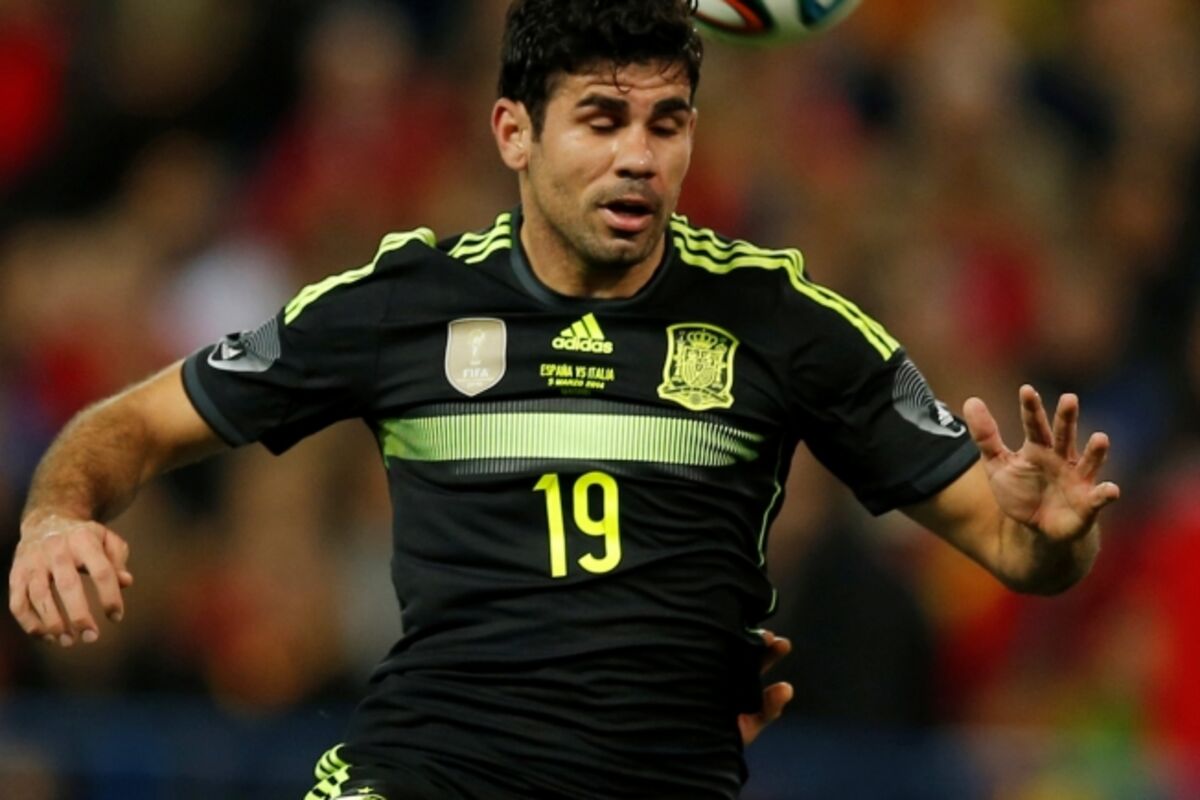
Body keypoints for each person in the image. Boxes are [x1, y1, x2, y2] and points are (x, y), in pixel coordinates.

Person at [7, 1, 1120, 798]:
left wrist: (1055, 533)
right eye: (601, 119)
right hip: (424, 773)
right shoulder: (403, 304)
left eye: (667, 123)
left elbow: (1014, 549)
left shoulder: (787, 324)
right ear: (515, 132)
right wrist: (59, 513)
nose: (639, 157)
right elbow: (130, 425)